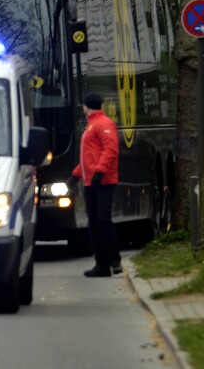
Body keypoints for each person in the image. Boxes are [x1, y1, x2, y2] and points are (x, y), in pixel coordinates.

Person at [66, 92, 122, 277]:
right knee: (95, 222)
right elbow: (88, 158)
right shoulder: (92, 125)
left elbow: (110, 150)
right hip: (92, 181)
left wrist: (99, 172)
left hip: (103, 180)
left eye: (83, 105)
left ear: (86, 106)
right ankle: (102, 264)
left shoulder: (103, 124)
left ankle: (114, 259)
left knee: (102, 218)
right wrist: (75, 176)